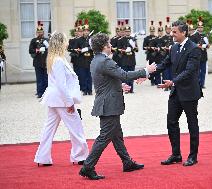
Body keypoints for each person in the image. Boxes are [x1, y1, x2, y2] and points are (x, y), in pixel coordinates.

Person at [79, 33, 156, 180]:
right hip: (109, 104)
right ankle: (87, 167)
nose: (111, 45)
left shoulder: (96, 60)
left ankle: (127, 162)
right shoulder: (105, 61)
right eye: (108, 43)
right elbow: (125, 75)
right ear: (104, 46)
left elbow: (104, 81)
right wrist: (146, 71)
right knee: (104, 137)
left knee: (117, 135)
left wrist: (119, 86)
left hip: (107, 102)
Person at [34, 32, 88, 166]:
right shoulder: (58, 60)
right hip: (61, 99)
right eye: (65, 40)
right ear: (60, 42)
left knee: (49, 129)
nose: (67, 43)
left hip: (55, 99)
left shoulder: (56, 58)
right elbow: (61, 85)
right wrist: (69, 102)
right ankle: (80, 156)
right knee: (76, 126)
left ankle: (42, 157)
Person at [154, 20, 202, 167]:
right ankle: (176, 154)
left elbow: (189, 71)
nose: (172, 34)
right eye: (172, 31)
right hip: (176, 93)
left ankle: (193, 156)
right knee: (171, 122)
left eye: (175, 32)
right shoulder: (174, 47)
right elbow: (164, 64)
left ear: (183, 32)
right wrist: (147, 73)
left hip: (189, 93)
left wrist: (173, 82)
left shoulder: (194, 49)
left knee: (192, 124)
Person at [29, 21, 48, 98]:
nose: (40, 33)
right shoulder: (33, 40)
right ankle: (40, 92)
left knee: (46, 78)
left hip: (45, 62)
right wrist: (36, 50)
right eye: (38, 32)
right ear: (37, 32)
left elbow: (50, 48)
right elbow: (30, 50)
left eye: (41, 32)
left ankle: (46, 93)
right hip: (37, 62)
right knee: (39, 78)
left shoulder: (46, 40)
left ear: (43, 32)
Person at [74, 19, 93, 95]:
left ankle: (90, 90)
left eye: (87, 31)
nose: (86, 32)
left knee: (89, 75)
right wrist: (80, 50)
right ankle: (84, 90)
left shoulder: (91, 39)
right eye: (84, 31)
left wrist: (88, 48)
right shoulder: (79, 40)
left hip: (90, 59)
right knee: (83, 76)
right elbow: (75, 49)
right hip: (82, 60)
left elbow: (94, 48)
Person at [195, 17, 209, 89]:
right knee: (197, 71)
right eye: (199, 27)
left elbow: (207, 46)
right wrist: (200, 46)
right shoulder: (194, 36)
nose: (200, 28)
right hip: (197, 56)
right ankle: (197, 84)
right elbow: (194, 45)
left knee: (203, 71)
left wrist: (207, 45)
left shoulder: (205, 35)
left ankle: (202, 84)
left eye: (201, 27)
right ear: (197, 28)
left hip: (204, 55)